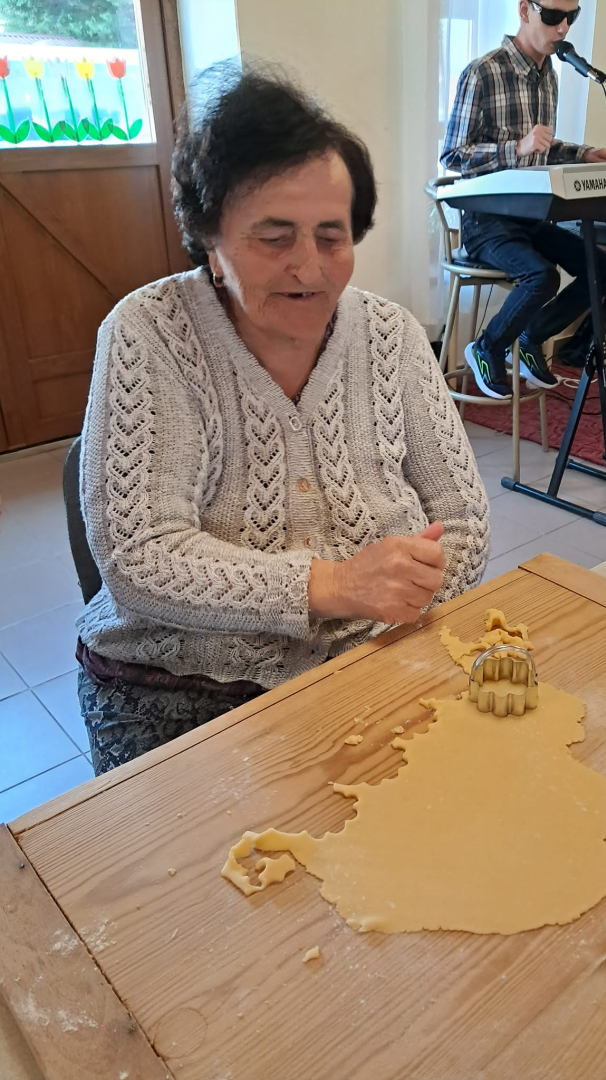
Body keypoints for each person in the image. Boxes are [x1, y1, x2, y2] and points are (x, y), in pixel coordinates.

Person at [77, 66, 490, 775]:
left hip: (374, 652)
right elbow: (138, 557)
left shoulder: (392, 335)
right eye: (274, 238)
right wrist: (334, 586)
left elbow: (464, 522)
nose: (310, 268)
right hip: (180, 684)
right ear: (210, 239)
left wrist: (403, 598)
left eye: (332, 236)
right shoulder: (149, 332)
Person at [441, 0, 606, 399]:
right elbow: (453, 155)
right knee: (542, 276)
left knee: (604, 270)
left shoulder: (549, 75)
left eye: (572, 17)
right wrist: (516, 148)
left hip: (531, 216)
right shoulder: (483, 72)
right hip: (485, 220)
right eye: (553, 16)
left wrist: (584, 154)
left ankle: (530, 337)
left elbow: (543, 147)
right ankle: (487, 347)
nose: (563, 28)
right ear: (525, 10)